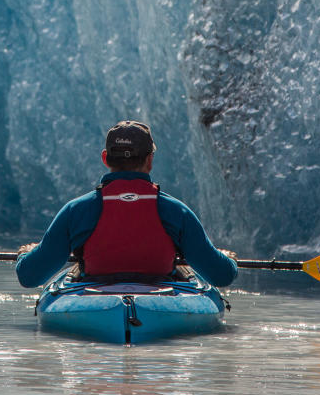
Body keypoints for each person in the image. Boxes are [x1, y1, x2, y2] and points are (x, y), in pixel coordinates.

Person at [14, 120, 238, 288]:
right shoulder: (176, 211)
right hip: (161, 300)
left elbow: (29, 277)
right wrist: (227, 259)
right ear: (150, 160)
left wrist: (26, 253)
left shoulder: (77, 210)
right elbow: (222, 275)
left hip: (96, 303)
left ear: (105, 158)